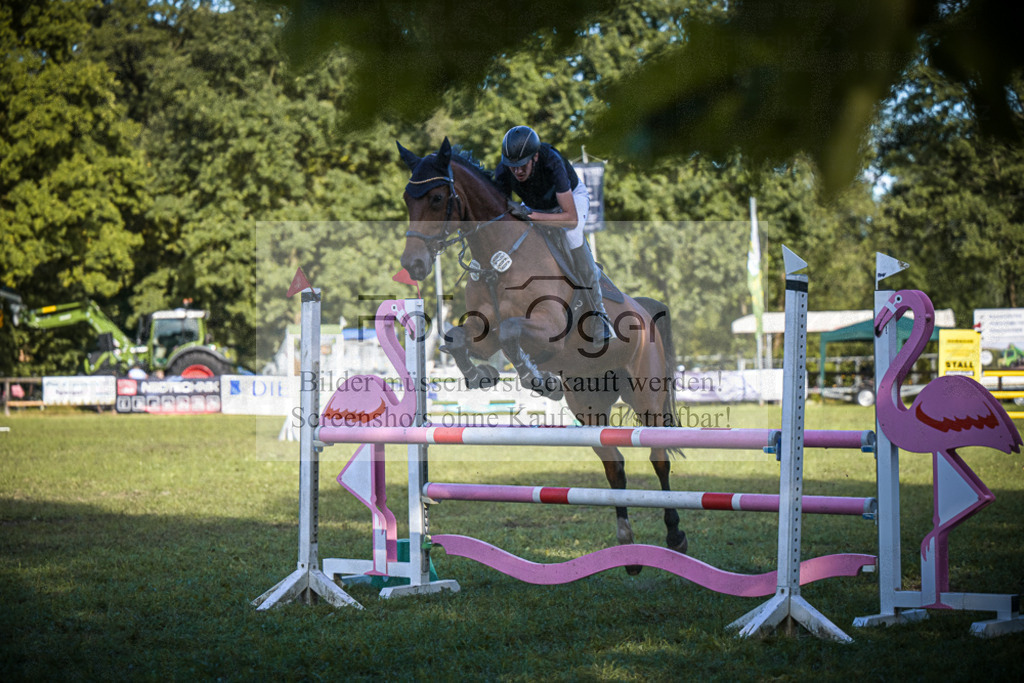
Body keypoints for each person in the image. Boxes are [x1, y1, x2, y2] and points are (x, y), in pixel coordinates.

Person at [494, 125, 614, 343]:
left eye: (522, 165)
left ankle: (599, 314)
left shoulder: (552, 162)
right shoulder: (505, 169)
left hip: (570, 204)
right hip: (533, 206)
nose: (517, 171)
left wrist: (531, 217)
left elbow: (570, 219)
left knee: (573, 236)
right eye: (512, 167)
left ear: (535, 157)